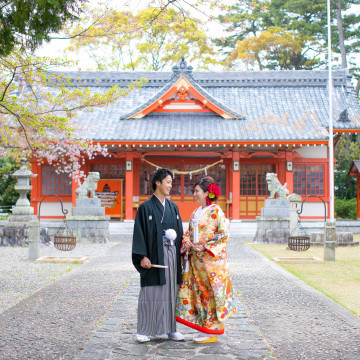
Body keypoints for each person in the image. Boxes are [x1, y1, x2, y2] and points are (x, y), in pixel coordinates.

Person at [176, 176, 237, 343]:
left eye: (197, 191)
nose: (194, 194)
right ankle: (204, 328)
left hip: (212, 263)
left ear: (207, 193)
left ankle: (212, 331)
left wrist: (204, 247)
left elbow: (223, 235)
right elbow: (188, 232)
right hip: (197, 261)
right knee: (200, 293)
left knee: (211, 294)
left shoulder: (217, 211)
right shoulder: (196, 212)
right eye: (194, 191)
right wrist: (187, 242)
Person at [132, 168, 185, 343]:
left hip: (171, 254)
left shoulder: (173, 207)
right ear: (158, 183)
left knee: (171, 291)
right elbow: (139, 233)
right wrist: (142, 257)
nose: (171, 185)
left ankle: (171, 328)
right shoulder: (145, 207)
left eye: (171, 182)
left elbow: (180, 234)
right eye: (168, 182)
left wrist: (182, 256)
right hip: (154, 256)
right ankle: (144, 330)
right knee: (151, 292)